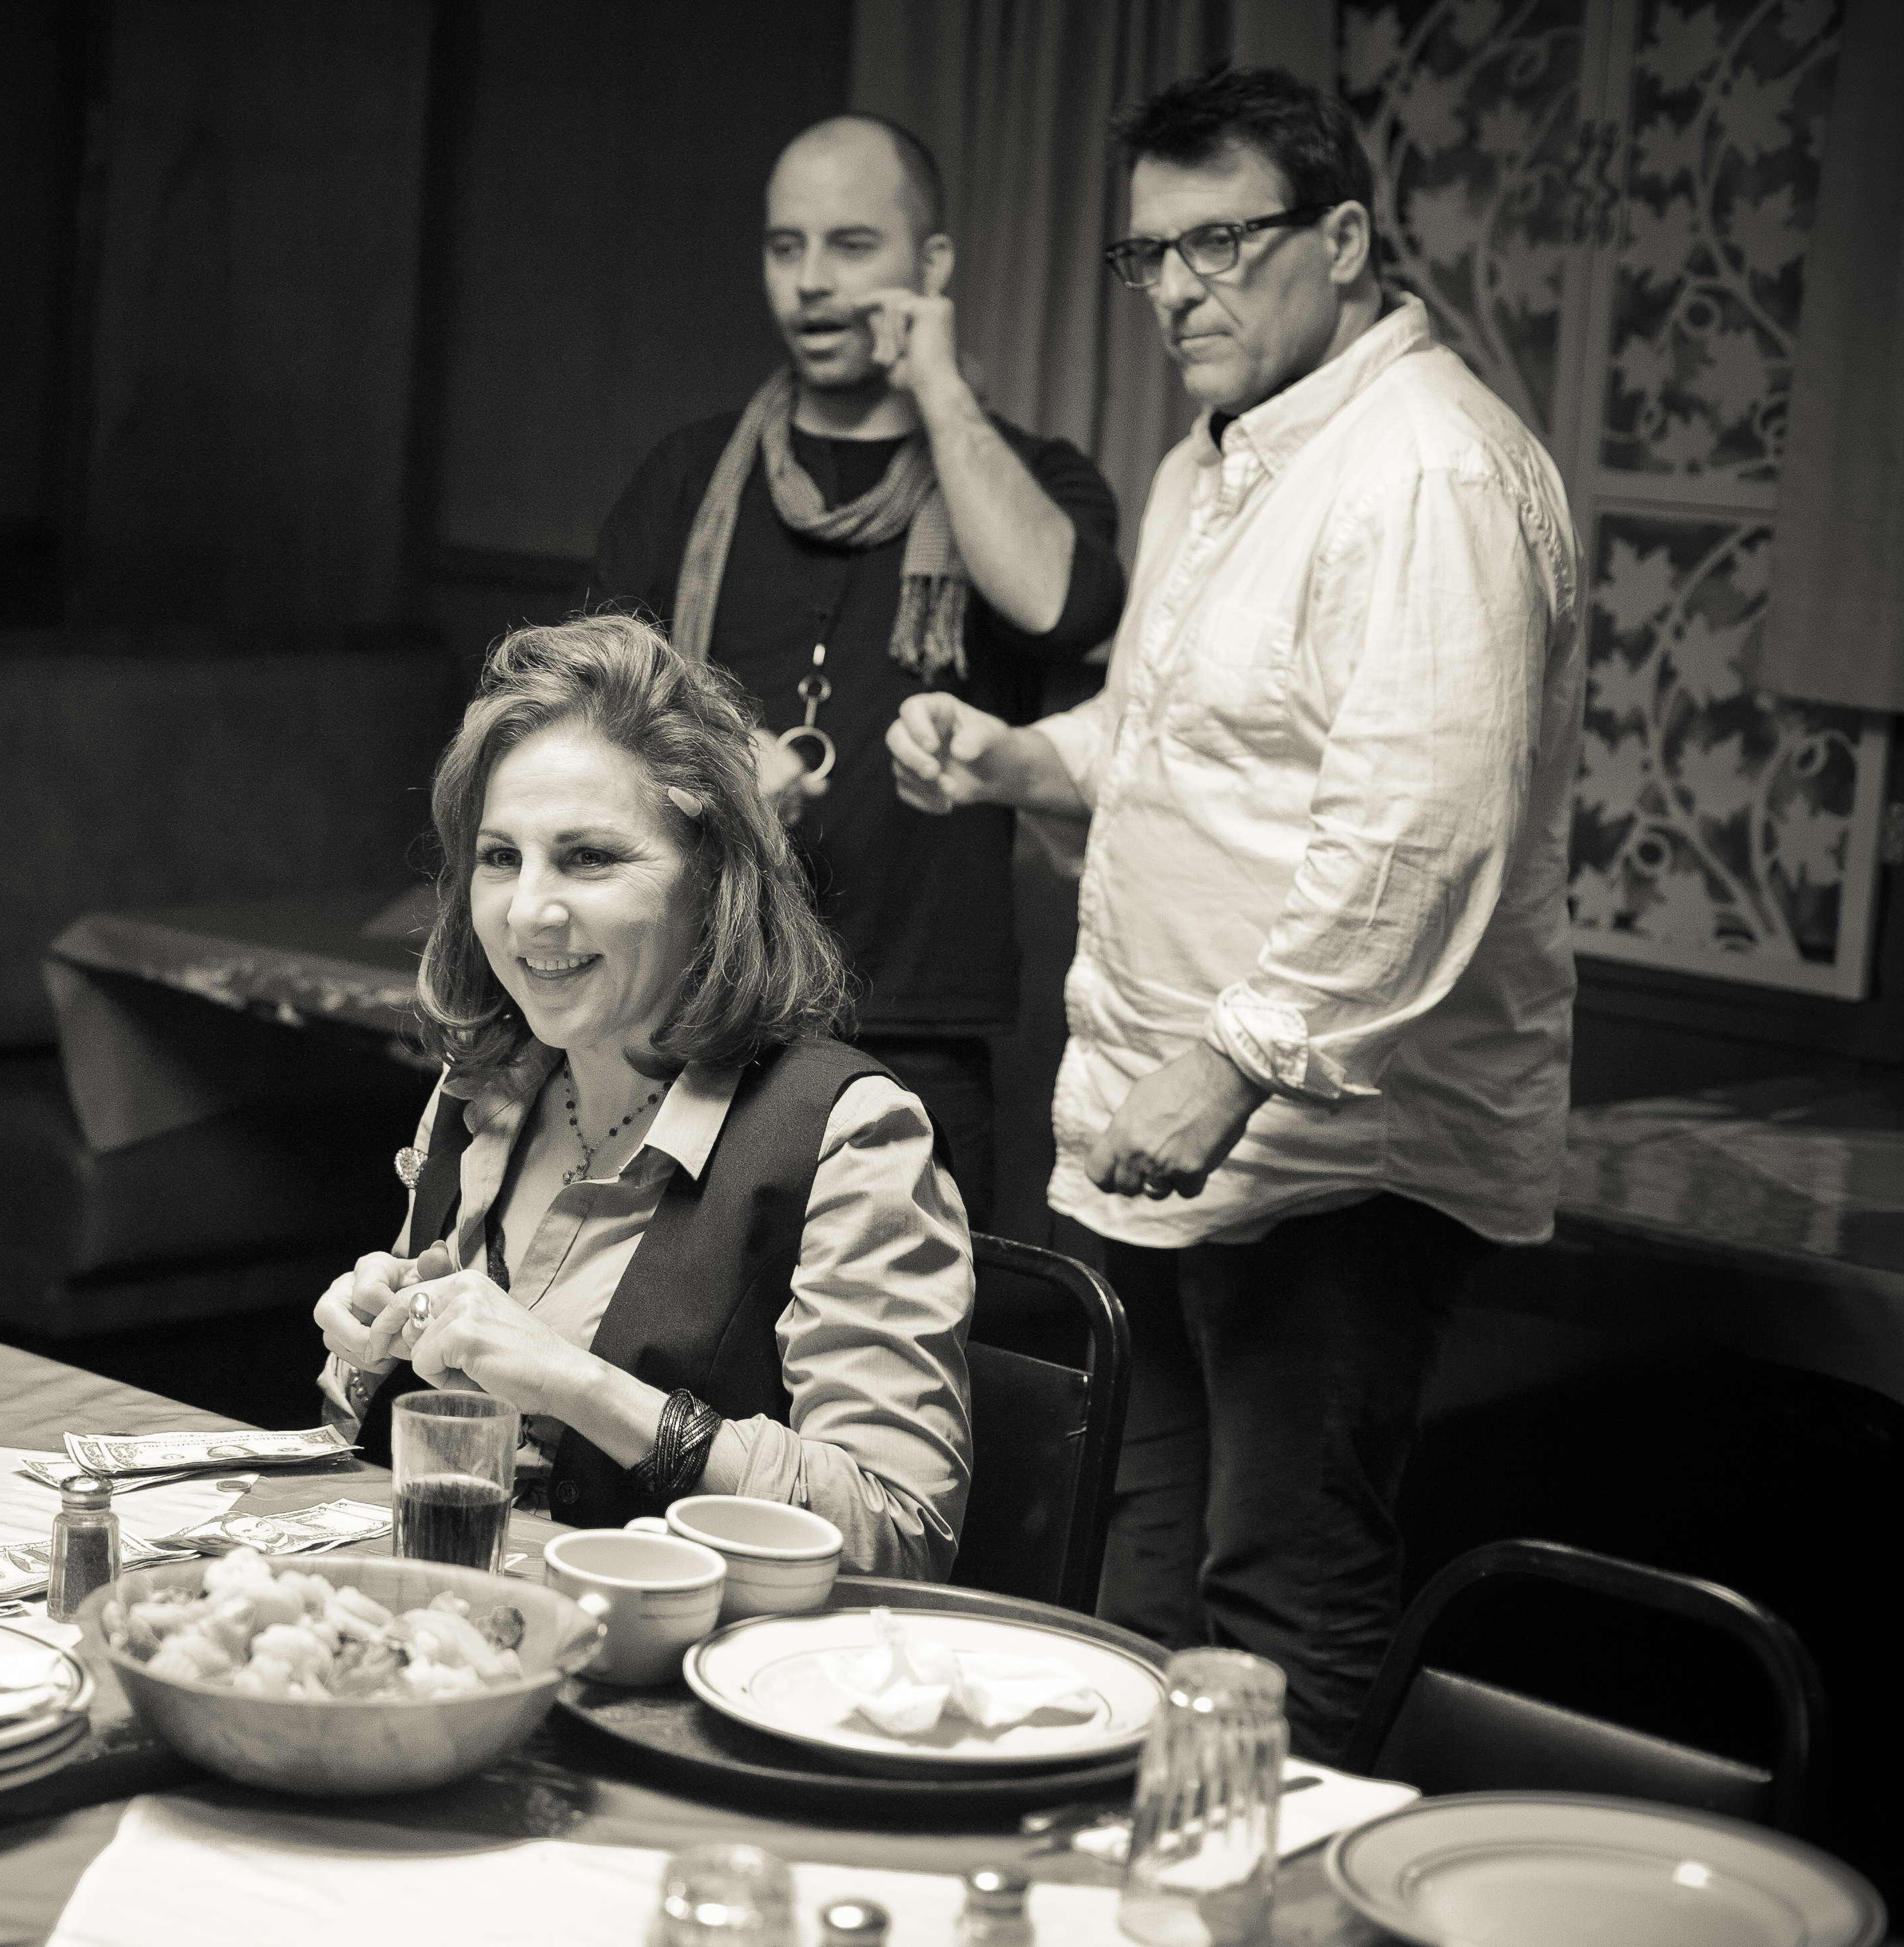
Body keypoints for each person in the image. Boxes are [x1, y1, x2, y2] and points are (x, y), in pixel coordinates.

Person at [888, 68, 1582, 1757]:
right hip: (1175, 1125)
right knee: (1139, 1575)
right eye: (1149, 258)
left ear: (1341, 242)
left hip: (1334, 1148)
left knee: (1282, 1587)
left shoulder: (1428, 471)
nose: (1179, 292)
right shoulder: (1221, 458)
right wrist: (1014, 756)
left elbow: (1416, 832)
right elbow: (1169, 737)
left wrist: (1237, 1062)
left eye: (1222, 244)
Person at [314, 614, 975, 1579]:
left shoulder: (849, 1133)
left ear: (711, 880)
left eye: (589, 859)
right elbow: (370, 1450)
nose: (529, 911)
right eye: (501, 858)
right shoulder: (482, 1093)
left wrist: (580, 1386)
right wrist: (369, 1351)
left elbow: (899, 1533)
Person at [592, 114, 1127, 1233]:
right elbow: (585, 727)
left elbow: (1060, 604)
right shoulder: (686, 476)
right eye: (785, 249)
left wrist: (936, 390)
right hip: (694, 1009)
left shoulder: (1028, 476)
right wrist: (709, 772)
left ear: (929, 267)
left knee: (902, 1391)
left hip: (917, 1032)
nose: (811, 284)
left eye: (849, 247)